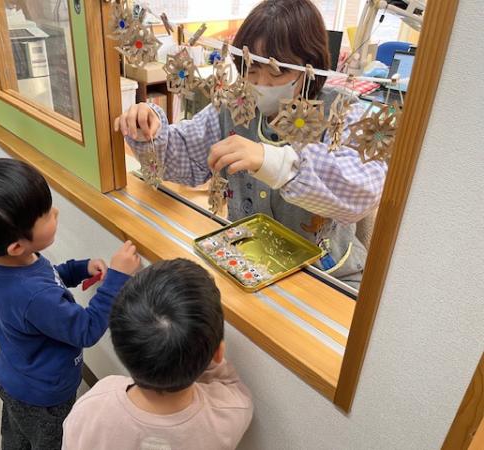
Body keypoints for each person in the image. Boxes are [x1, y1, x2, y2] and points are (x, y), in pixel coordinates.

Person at [115, 0, 388, 288]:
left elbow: (364, 191)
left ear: (311, 66)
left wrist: (274, 162)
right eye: (251, 70)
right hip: (250, 264)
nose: (262, 84)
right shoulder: (236, 104)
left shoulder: (343, 112)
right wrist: (149, 128)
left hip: (327, 276)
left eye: (277, 73)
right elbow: (183, 156)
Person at [0, 158, 141, 450]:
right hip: (44, 397)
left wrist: (79, 269)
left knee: (17, 434)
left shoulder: (2, 261)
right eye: (46, 215)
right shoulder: (34, 295)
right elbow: (85, 330)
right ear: (16, 246)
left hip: (14, 376)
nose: (55, 212)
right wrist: (118, 278)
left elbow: (48, 277)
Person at [62, 258, 253, 450]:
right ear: (218, 354)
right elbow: (232, 387)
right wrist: (206, 351)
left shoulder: (93, 407)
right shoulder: (229, 413)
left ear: (119, 344)